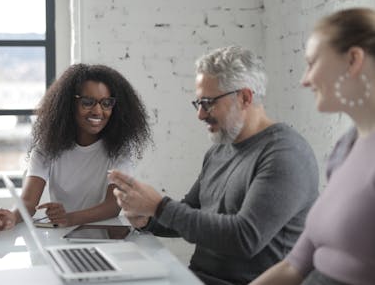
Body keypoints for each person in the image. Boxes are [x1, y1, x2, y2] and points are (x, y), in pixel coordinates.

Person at [109, 46, 319, 285]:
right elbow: (191, 211)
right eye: (198, 103)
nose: (200, 114)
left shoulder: (285, 154)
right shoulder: (220, 149)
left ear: (245, 98)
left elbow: (244, 238)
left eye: (208, 103)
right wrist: (147, 219)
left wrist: (158, 206)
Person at [250, 8, 375, 285]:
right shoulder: (346, 147)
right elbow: (296, 264)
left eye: (312, 63)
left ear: (353, 59)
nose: (304, 79)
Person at [0, 63, 151, 231]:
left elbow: (113, 205)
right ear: (68, 105)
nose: (98, 111)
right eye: (88, 102)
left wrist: (69, 218)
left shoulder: (120, 149)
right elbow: (28, 202)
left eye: (106, 103)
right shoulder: (48, 147)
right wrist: (12, 217)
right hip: (63, 234)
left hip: (106, 235)